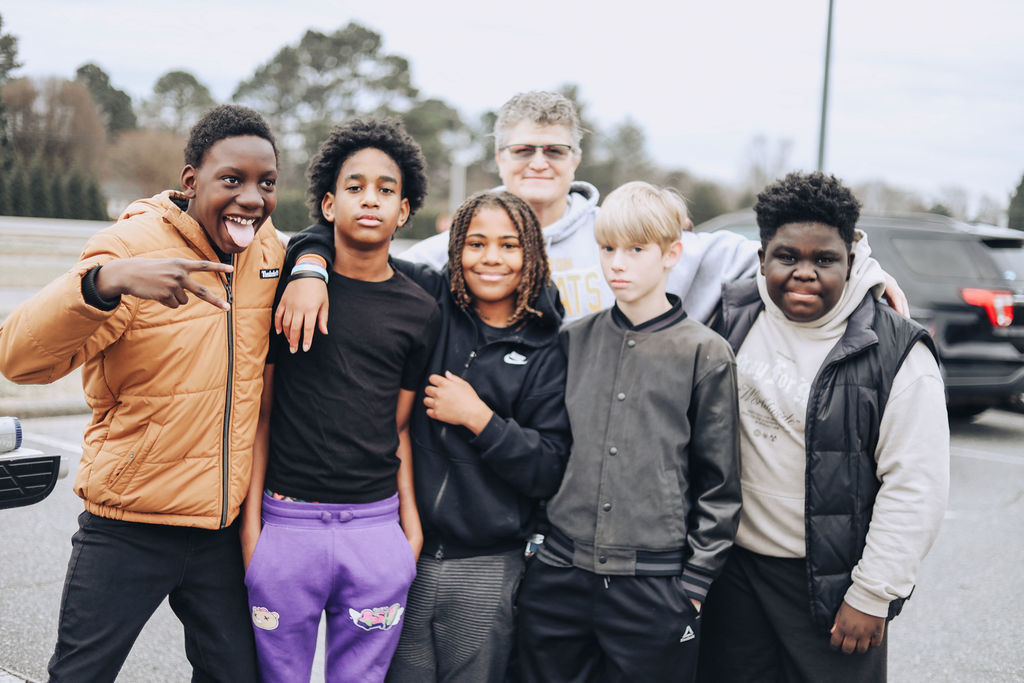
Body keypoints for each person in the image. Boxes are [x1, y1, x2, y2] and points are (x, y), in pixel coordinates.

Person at [0, 104, 282, 681]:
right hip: (128, 524)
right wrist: (107, 282)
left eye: (266, 183)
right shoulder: (129, 246)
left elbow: (322, 244)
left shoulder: (268, 252)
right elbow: (19, 358)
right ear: (190, 181)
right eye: (232, 180)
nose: (251, 198)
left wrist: (313, 273)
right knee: (80, 675)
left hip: (220, 531)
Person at [279, 91, 907, 349]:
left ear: (575, 158)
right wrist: (308, 262)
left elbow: (782, 251)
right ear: (500, 157)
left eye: (554, 149)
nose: (539, 161)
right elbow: (361, 247)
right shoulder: (462, 246)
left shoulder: (627, 235)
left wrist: (867, 271)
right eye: (523, 149)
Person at [287, 189, 571, 681]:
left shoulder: (548, 346)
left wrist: (478, 417)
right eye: (476, 243)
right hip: (403, 552)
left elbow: (548, 467)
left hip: (487, 563)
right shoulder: (429, 296)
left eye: (508, 246)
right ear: (455, 247)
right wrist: (310, 266)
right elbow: (344, 238)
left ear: (532, 255)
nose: (491, 259)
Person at [699, 172, 949, 682]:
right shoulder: (731, 315)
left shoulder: (896, 350)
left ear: (851, 260)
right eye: (787, 256)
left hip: (831, 587)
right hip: (735, 575)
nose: (805, 272)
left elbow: (916, 484)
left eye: (824, 259)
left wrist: (873, 593)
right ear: (763, 255)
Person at [240, 117, 441, 683]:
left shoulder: (419, 309)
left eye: (386, 189)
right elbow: (263, 415)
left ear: (404, 210)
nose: (370, 200)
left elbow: (399, 427)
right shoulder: (290, 292)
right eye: (354, 188)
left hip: (376, 532)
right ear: (328, 205)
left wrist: (409, 532)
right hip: (287, 527)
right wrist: (255, 532)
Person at [515, 182, 742, 682]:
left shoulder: (705, 353)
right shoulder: (574, 339)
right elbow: (550, 447)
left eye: (636, 250)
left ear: (671, 254)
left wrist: (697, 582)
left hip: (655, 583)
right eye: (607, 248)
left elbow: (720, 481)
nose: (617, 263)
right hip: (560, 573)